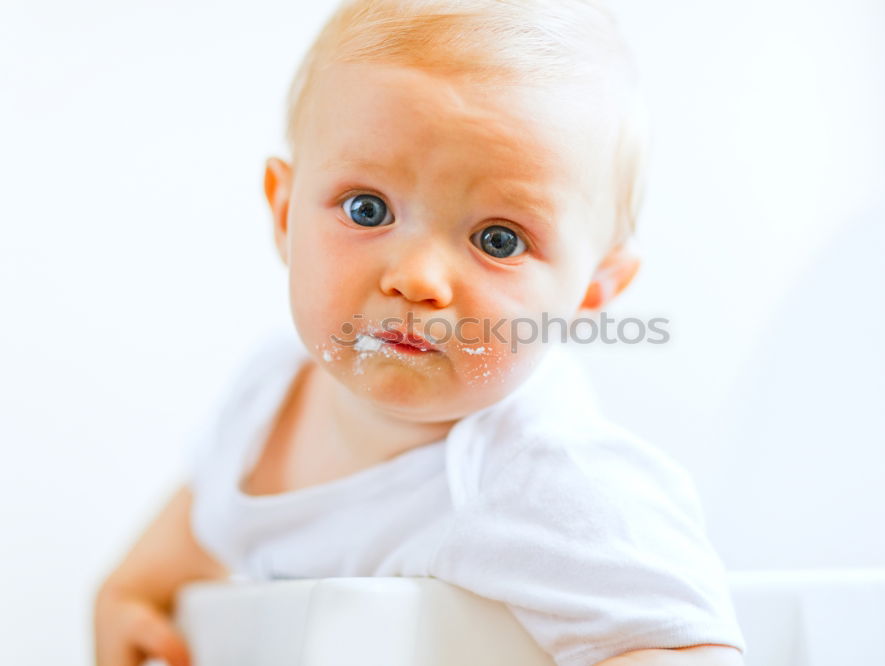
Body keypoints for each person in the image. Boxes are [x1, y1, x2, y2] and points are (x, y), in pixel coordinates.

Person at [93, 1, 747, 664]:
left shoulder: (551, 478)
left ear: (590, 293)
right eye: (367, 208)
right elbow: (193, 536)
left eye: (498, 238)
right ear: (285, 212)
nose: (417, 278)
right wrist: (126, 601)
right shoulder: (270, 394)